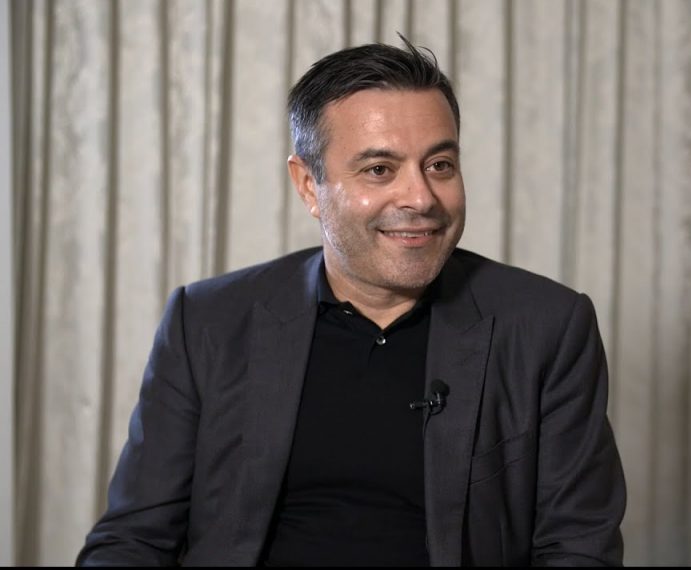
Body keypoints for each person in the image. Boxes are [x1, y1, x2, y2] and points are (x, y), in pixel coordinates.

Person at [77, 36, 626, 567]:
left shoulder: (548, 326)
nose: (420, 197)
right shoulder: (206, 321)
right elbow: (131, 540)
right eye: (379, 170)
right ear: (308, 185)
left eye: (440, 165)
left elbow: (580, 547)